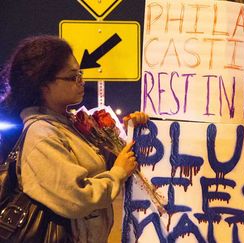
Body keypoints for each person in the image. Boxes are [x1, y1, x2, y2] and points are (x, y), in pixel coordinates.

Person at [0, 35, 148, 242]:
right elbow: (77, 198)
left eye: (80, 74)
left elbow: (117, 157)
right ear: (44, 85)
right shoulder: (42, 135)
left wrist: (136, 129)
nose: (81, 81)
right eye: (72, 77)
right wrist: (117, 173)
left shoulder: (70, 125)